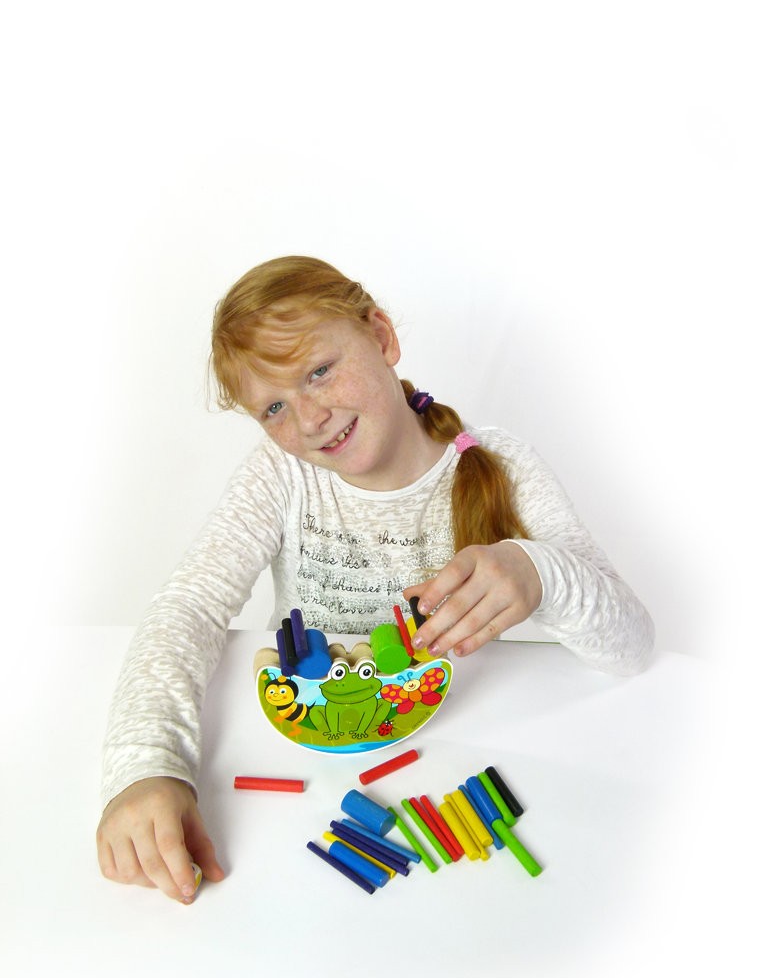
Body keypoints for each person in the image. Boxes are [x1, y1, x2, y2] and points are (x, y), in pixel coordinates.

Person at [96, 255, 654, 903]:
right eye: (273, 407)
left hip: (460, 777)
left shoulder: (502, 466)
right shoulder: (281, 476)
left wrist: (540, 572)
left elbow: (632, 648)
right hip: (309, 788)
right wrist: (146, 766)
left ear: (382, 337)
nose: (309, 419)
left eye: (319, 372)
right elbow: (189, 607)